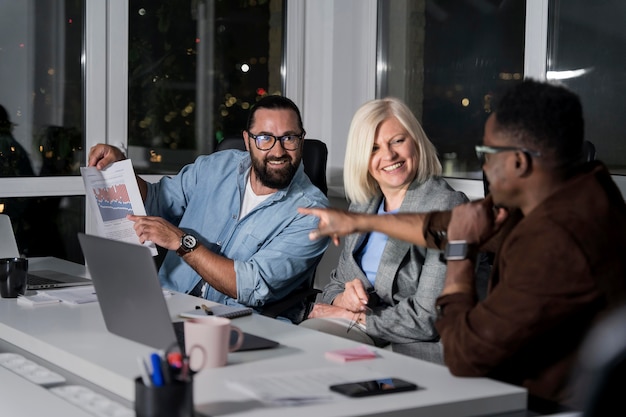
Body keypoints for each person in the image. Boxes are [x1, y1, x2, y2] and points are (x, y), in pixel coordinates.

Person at [298, 79, 626, 404]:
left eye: (486, 153)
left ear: (519, 163)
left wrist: (459, 253)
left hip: (540, 402)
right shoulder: (578, 191)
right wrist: (362, 220)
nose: (482, 166)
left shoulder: (553, 244)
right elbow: (445, 224)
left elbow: (464, 354)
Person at [89, 95, 330, 323]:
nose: (278, 151)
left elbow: (252, 285)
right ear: (247, 141)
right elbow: (155, 201)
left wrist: (183, 243)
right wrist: (121, 168)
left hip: (235, 324)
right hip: (166, 304)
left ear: (301, 139)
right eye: (264, 138)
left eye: (289, 138)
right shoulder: (216, 166)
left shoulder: (314, 214)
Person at [300, 97, 481, 363]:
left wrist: (352, 317)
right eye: (374, 148)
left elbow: (430, 316)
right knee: (297, 347)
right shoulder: (363, 205)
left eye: (397, 140)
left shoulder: (447, 207)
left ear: (415, 141)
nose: (389, 155)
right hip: (364, 334)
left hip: (416, 345)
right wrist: (343, 299)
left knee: (314, 354)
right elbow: (335, 284)